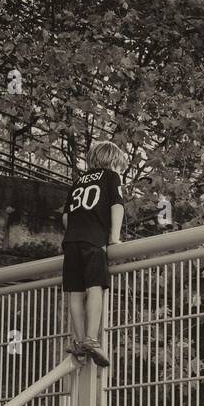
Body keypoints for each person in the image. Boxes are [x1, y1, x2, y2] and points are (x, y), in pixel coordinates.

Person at [61, 140, 126, 366]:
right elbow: (117, 206)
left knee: (76, 292)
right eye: (119, 167)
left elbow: (66, 217)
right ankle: (91, 339)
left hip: (71, 242)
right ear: (112, 162)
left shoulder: (78, 182)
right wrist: (114, 238)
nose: (120, 172)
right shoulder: (111, 177)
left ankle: (79, 341)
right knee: (95, 287)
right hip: (93, 240)